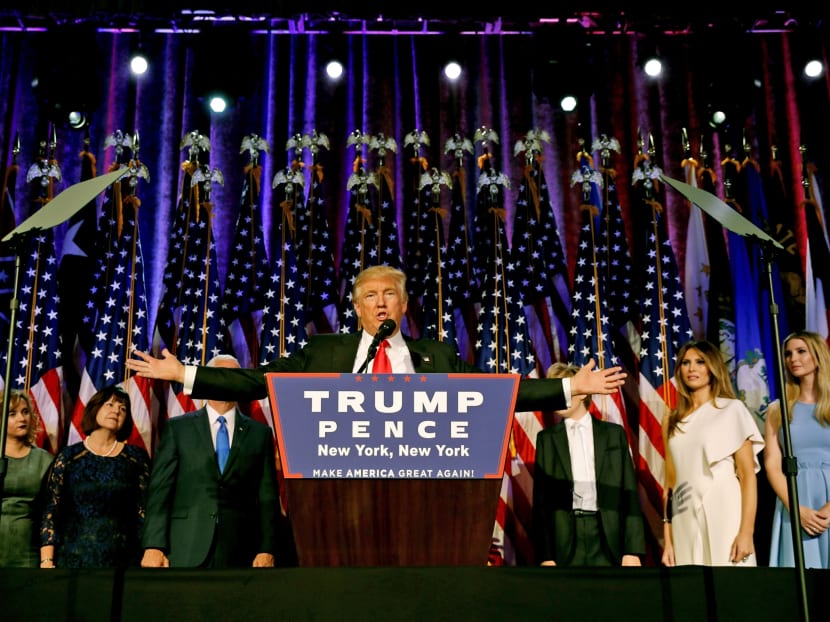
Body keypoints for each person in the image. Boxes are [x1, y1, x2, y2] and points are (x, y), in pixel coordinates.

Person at [125, 265, 627, 413]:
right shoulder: (325, 352)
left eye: (391, 294)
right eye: (370, 295)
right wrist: (184, 374)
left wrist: (570, 388)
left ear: (405, 306)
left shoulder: (438, 354)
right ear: (357, 307)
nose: (381, 302)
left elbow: (497, 392)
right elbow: (257, 383)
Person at [141, 354, 289, 568]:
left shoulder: (260, 433)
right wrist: (154, 545)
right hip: (184, 546)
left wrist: (267, 548)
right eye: (218, 376)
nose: (224, 382)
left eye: (232, 377)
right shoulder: (178, 429)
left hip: (241, 550)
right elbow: (160, 492)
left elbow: (267, 497)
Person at [661, 340, 764, 567]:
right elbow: (669, 484)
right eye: (685, 363)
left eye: (700, 362)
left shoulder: (731, 409)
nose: (692, 368)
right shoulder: (671, 419)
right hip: (683, 514)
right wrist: (668, 540)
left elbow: (748, 476)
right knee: (692, 592)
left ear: (713, 367)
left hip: (724, 506)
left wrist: (746, 532)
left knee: (730, 587)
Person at [532, 363, 645, 567]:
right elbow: (542, 501)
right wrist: (545, 554)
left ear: (583, 393)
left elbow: (628, 492)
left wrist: (632, 549)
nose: (557, 396)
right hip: (565, 539)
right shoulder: (546, 439)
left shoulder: (613, 434)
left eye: (565, 389)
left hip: (606, 535)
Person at [39, 386, 150, 568]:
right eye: (110, 404)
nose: (116, 411)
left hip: (124, 561)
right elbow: (51, 510)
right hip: (73, 558)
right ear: (94, 409)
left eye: (122, 409)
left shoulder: (136, 458)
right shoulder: (68, 457)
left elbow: (144, 511)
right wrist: (46, 560)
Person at [765, 330, 830, 568]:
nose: (793, 358)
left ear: (818, 355)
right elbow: (771, 464)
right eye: (788, 354)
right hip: (794, 497)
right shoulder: (777, 409)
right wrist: (796, 509)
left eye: (801, 351)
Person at [0, 390, 54, 567]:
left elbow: (50, 510)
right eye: (12, 414)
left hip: (27, 552)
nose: (22, 419)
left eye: (25, 412)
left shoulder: (44, 460)